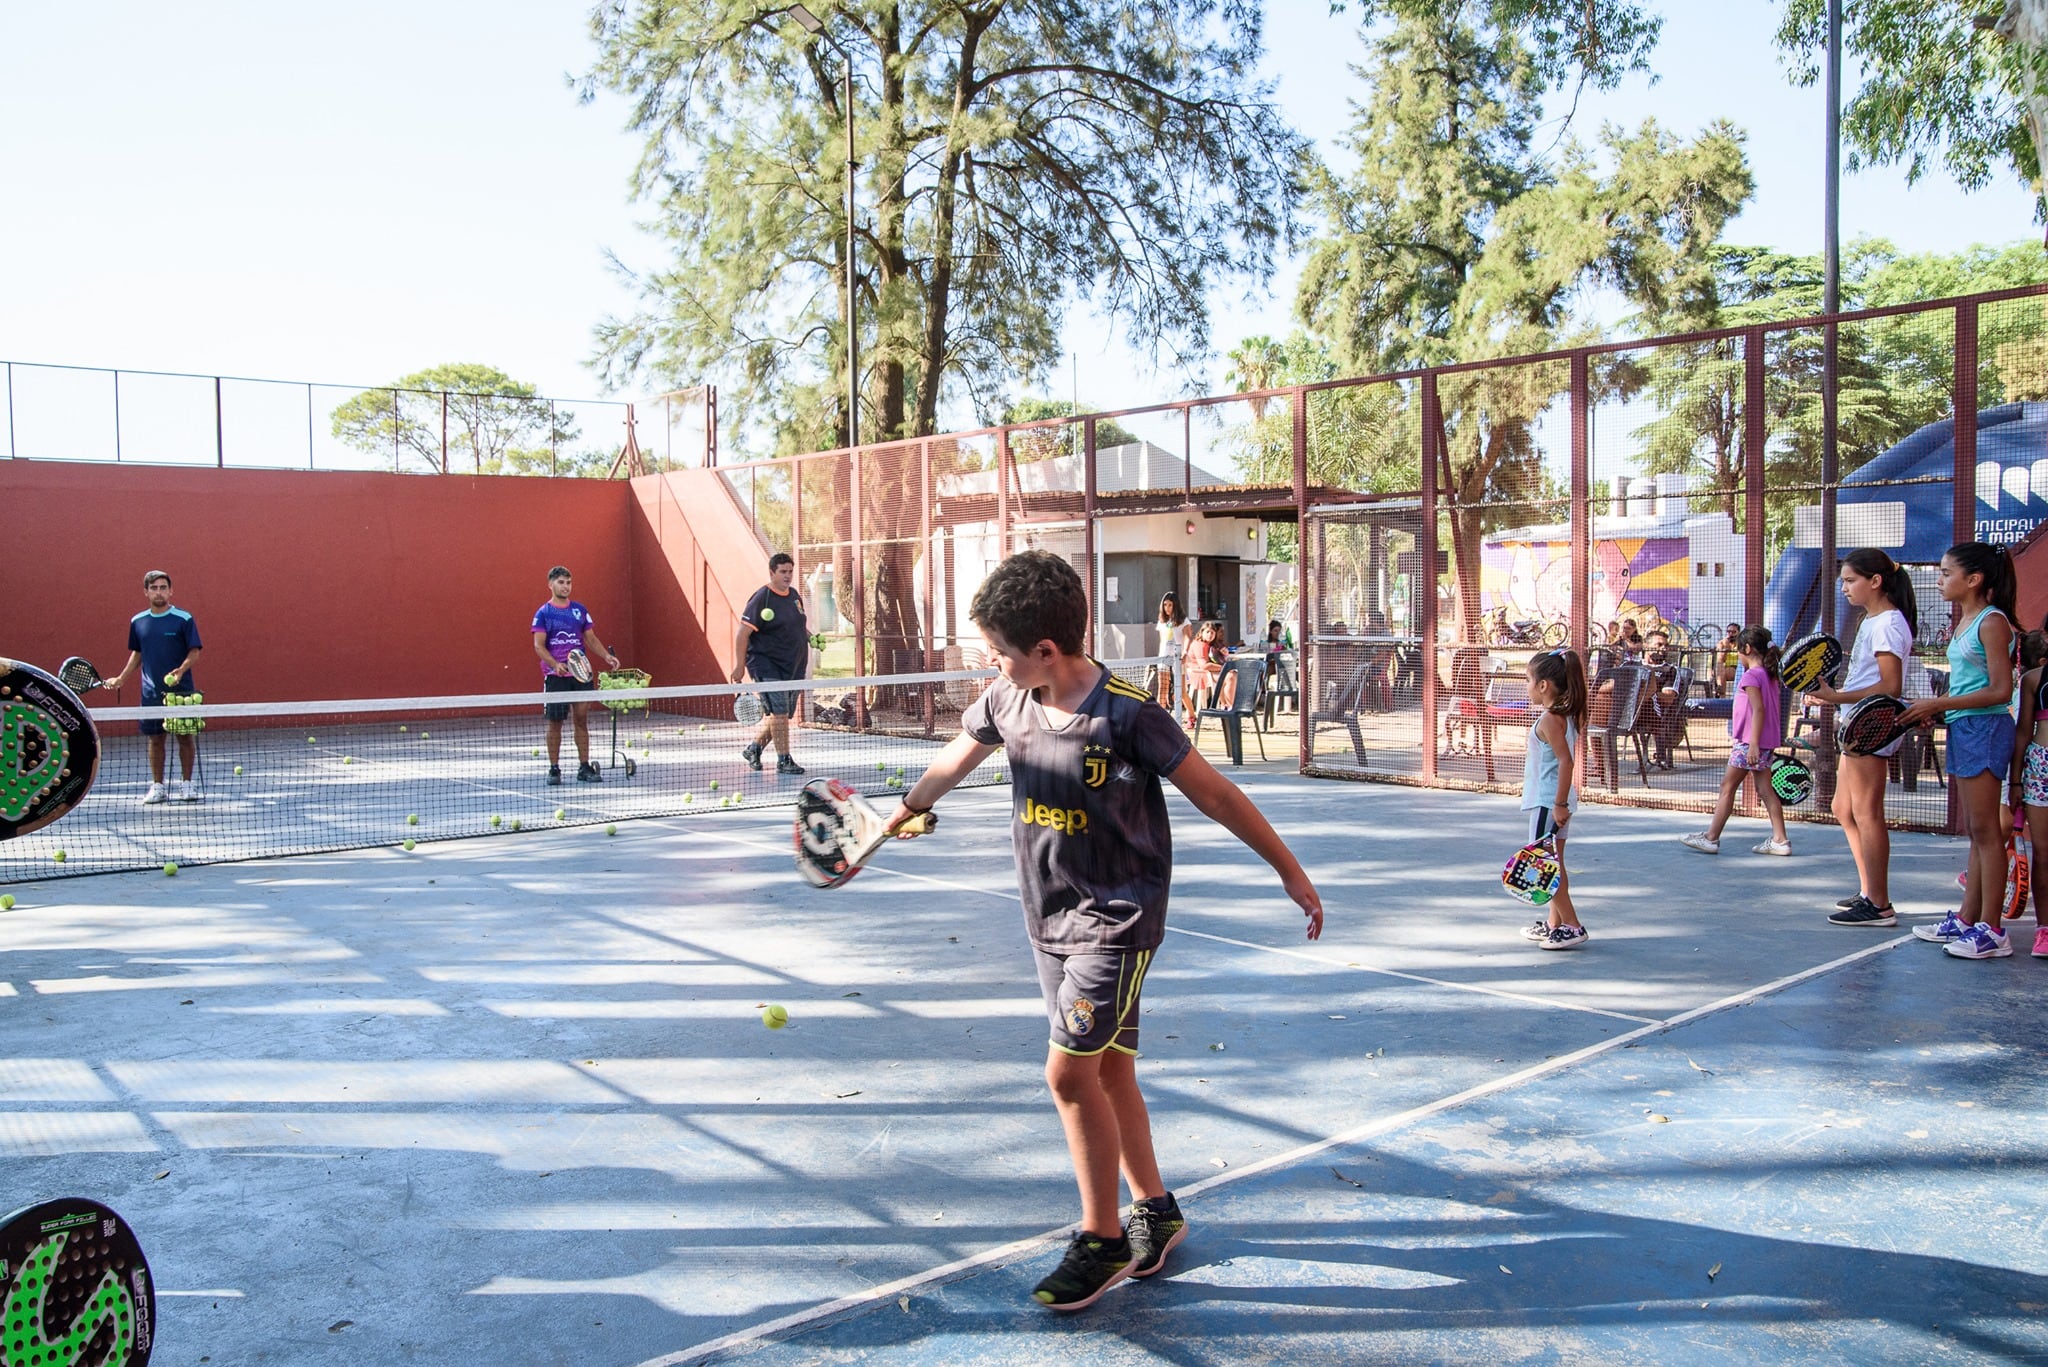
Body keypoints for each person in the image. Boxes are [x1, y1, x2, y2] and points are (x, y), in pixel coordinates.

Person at [884, 550, 1323, 1311]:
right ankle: (1155, 1208)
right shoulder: (1009, 698)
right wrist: (901, 809)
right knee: (1110, 1069)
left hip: (1116, 923)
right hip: (1047, 918)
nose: (993, 660)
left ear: (1046, 651)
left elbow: (1216, 795)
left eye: (1000, 649)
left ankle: (1103, 1237)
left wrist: (1288, 869)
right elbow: (957, 757)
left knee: (1068, 1075)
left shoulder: (1128, 714)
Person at [1902, 543, 2019, 958]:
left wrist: (1938, 704)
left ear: (1974, 579)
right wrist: (1939, 712)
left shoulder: (1992, 622)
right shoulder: (1966, 619)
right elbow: (1970, 684)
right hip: (1966, 726)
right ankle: (1968, 921)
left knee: (1988, 832)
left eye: (1946, 572)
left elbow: (2001, 690)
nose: (1939, 579)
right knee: (1978, 829)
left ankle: (1994, 931)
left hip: (1986, 728)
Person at [1807, 549, 1917, 927]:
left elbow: (1890, 684)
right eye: (1843, 581)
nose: (1845, 587)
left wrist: (1835, 697)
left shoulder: (1887, 623)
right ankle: (1869, 890)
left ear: (1876, 581)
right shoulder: (1874, 620)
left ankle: (1880, 905)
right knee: (1843, 808)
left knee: (1867, 812)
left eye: (1851, 580)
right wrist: (1834, 694)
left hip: (1873, 727)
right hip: (1856, 725)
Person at [1681, 627, 1791, 856]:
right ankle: (1780, 840)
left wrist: (1752, 744)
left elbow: (1758, 710)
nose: (1738, 656)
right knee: (1765, 790)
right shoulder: (1769, 675)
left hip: (1748, 743)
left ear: (1747, 649)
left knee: (1727, 787)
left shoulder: (1752, 676)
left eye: (1739, 651)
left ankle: (1711, 838)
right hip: (1764, 742)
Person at [102, 569, 203, 804]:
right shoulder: (138, 622)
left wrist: (180, 671)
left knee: (185, 736)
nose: (159, 592)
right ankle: (158, 787)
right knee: (155, 738)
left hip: (181, 692)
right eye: (154, 588)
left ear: (170, 590)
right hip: (151, 693)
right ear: (146, 592)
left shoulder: (184, 619)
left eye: (163, 587)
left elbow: (194, 652)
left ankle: (187, 785)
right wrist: (121, 678)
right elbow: (138, 654)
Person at [1518, 650, 1589, 950]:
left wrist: (1559, 804)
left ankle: (1572, 925)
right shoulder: (1563, 715)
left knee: (1542, 866)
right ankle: (1553, 923)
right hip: (1554, 802)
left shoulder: (1550, 720)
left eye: (1528, 680)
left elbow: (1566, 761)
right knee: (1554, 863)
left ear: (1544, 685)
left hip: (1550, 803)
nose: (1527, 686)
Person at [530, 565, 618, 785]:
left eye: (568, 582)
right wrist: (555, 664)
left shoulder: (579, 610)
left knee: (581, 720)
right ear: (550, 585)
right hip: (555, 676)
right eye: (561, 582)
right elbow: (539, 646)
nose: (565, 586)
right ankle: (554, 769)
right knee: (555, 723)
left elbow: (591, 638)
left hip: (581, 675)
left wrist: (606, 657)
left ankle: (584, 767)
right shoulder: (543, 613)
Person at [731, 552, 809, 776]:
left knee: (780, 715)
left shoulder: (794, 596)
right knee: (780, 712)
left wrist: (810, 636)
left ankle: (753, 749)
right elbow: (742, 634)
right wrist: (739, 666)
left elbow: (797, 626)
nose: (787, 576)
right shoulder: (762, 598)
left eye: (790, 571)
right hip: (766, 665)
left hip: (793, 666)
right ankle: (784, 760)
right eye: (783, 572)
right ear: (772, 572)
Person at [2010, 616, 2048, 959]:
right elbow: (2023, 731)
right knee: (2044, 852)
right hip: (2041, 769)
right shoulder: (2034, 679)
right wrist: (2017, 779)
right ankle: (2044, 930)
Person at [1178, 621, 1228, 726]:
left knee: (1228, 676)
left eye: (1212, 633)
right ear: (1202, 632)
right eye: (1208, 632)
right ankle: (1225, 705)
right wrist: (1225, 668)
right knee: (1226, 677)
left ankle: (1226, 705)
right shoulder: (1200, 645)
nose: (1210, 635)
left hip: (1206, 671)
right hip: (1197, 672)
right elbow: (1204, 665)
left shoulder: (1210, 645)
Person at [1155, 592, 1189, 711]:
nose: (1167, 608)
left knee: (1181, 690)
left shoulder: (1183, 621)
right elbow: (1162, 640)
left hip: (1178, 657)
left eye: (1170, 605)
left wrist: (1185, 652)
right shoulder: (1162, 621)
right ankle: (1161, 716)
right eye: (1165, 605)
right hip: (1164, 658)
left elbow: (1188, 637)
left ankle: (1191, 715)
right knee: (1162, 687)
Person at [1715, 623, 1742, 697]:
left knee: (1720, 672)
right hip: (1726, 669)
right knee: (1719, 665)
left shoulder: (1742, 643)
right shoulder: (1722, 643)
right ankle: (1720, 689)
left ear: (1738, 632)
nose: (1731, 634)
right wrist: (1726, 649)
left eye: (1733, 632)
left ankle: (1721, 693)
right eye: (1729, 631)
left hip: (1739, 668)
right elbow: (1720, 659)